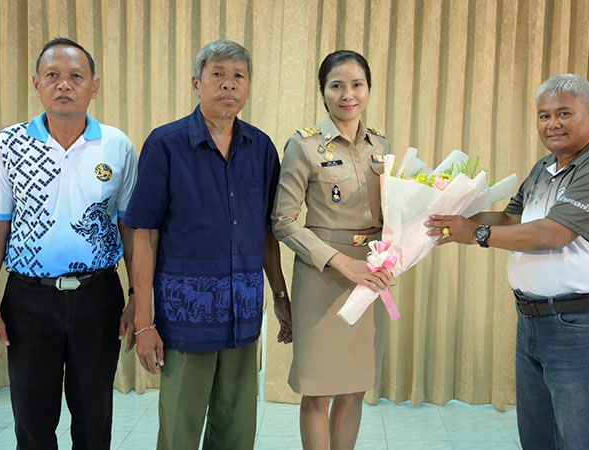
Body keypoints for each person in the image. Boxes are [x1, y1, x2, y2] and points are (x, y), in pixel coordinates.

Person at [426, 74, 589, 450]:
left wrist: (473, 234)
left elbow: (553, 234)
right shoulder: (544, 168)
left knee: (581, 441)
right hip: (533, 321)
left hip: (583, 326)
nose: (552, 124)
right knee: (538, 440)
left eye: (564, 113)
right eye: (543, 116)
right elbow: (513, 219)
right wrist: (444, 222)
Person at [0, 37, 138, 449]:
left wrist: (138, 297)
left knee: (94, 416)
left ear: (94, 86)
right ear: (36, 84)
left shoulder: (116, 146)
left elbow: (133, 230)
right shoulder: (9, 144)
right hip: (29, 300)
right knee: (31, 419)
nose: (64, 84)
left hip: (98, 298)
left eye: (76, 76)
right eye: (53, 76)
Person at [123, 39, 289, 450]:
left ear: (249, 87)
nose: (228, 85)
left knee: (236, 433)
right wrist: (145, 321)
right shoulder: (165, 145)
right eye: (218, 74)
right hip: (185, 321)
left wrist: (281, 295)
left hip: (243, 316)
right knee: (180, 430)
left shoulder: (262, 148)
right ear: (197, 83)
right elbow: (143, 234)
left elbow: (268, 231)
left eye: (238, 77)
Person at [271, 50, 393, 450]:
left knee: (355, 386)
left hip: (371, 274)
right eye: (336, 85)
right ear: (323, 92)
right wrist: (341, 262)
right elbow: (283, 221)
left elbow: (395, 211)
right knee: (319, 389)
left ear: (369, 89)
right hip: (322, 275)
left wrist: (398, 250)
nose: (347, 95)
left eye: (357, 85)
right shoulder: (303, 146)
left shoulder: (381, 145)